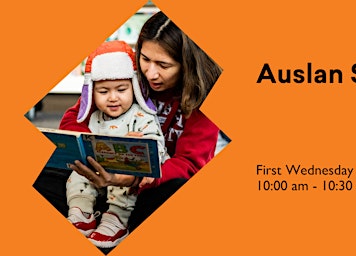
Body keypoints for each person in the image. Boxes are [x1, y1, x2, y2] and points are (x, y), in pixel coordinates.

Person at [33, 11, 222, 251]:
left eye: (164, 65)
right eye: (145, 59)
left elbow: (189, 165)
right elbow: (76, 117)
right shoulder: (128, 76)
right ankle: (92, 217)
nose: (151, 73)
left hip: (151, 187)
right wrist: (97, 151)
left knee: (177, 192)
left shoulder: (205, 98)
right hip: (96, 177)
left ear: (187, 65)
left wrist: (134, 177)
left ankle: (114, 221)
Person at [65, 40, 169, 248]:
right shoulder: (95, 118)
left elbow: (157, 147)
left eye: (121, 90)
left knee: (125, 172)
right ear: (92, 93)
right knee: (76, 171)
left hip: (131, 180)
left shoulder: (141, 116)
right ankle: (81, 210)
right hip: (100, 175)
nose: (113, 98)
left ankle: (116, 218)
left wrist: (139, 148)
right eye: (103, 92)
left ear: (134, 88)